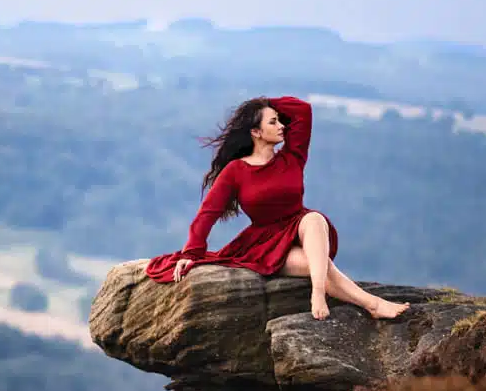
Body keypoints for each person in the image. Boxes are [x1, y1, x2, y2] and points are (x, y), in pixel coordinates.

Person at [145, 95, 410, 321]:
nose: (282, 125)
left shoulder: (293, 155)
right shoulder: (236, 171)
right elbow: (207, 214)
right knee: (319, 263)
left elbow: (303, 110)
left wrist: (265, 105)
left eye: (280, 120)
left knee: (315, 218)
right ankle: (372, 305)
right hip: (265, 243)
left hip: (300, 226)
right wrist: (191, 253)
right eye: (273, 122)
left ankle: (318, 292)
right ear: (256, 132)